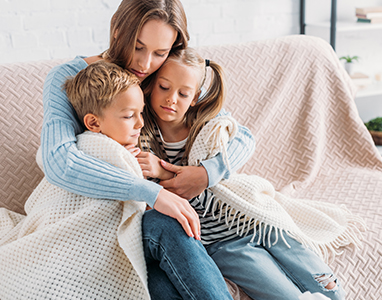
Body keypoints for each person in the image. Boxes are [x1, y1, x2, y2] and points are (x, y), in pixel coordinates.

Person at [38, 0, 254, 298]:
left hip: (148, 220)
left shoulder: (164, 77)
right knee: (163, 230)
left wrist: (206, 174)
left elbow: (241, 135)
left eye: (159, 52)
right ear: (117, 30)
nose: (144, 63)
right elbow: (59, 162)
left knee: (160, 280)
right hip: (109, 218)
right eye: (137, 47)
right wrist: (152, 192)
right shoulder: (70, 78)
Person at [138, 47, 348, 300]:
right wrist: (163, 173)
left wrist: (204, 173)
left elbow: (244, 139)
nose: (171, 99)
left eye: (183, 93)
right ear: (150, 85)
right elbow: (164, 203)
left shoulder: (208, 124)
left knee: (331, 290)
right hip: (224, 245)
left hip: (255, 218)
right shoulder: (142, 135)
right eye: (164, 87)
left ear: (195, 97)